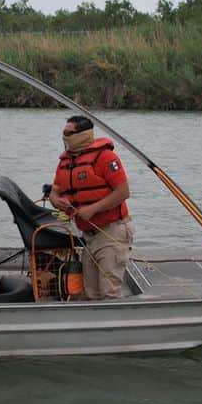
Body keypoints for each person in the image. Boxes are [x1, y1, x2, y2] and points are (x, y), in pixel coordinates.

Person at [50, 115, 133, 299]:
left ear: (84, 134)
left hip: (112, 233)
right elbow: (54, 191)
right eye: (63, 132)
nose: (64, 136)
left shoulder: (105, 157)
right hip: (88, 237)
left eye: (69, 133)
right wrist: (56, 201)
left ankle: (115, 325)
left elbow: (123, 192)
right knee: (90, 293)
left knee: (109, 292)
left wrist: (93, 208)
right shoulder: (66, 161)